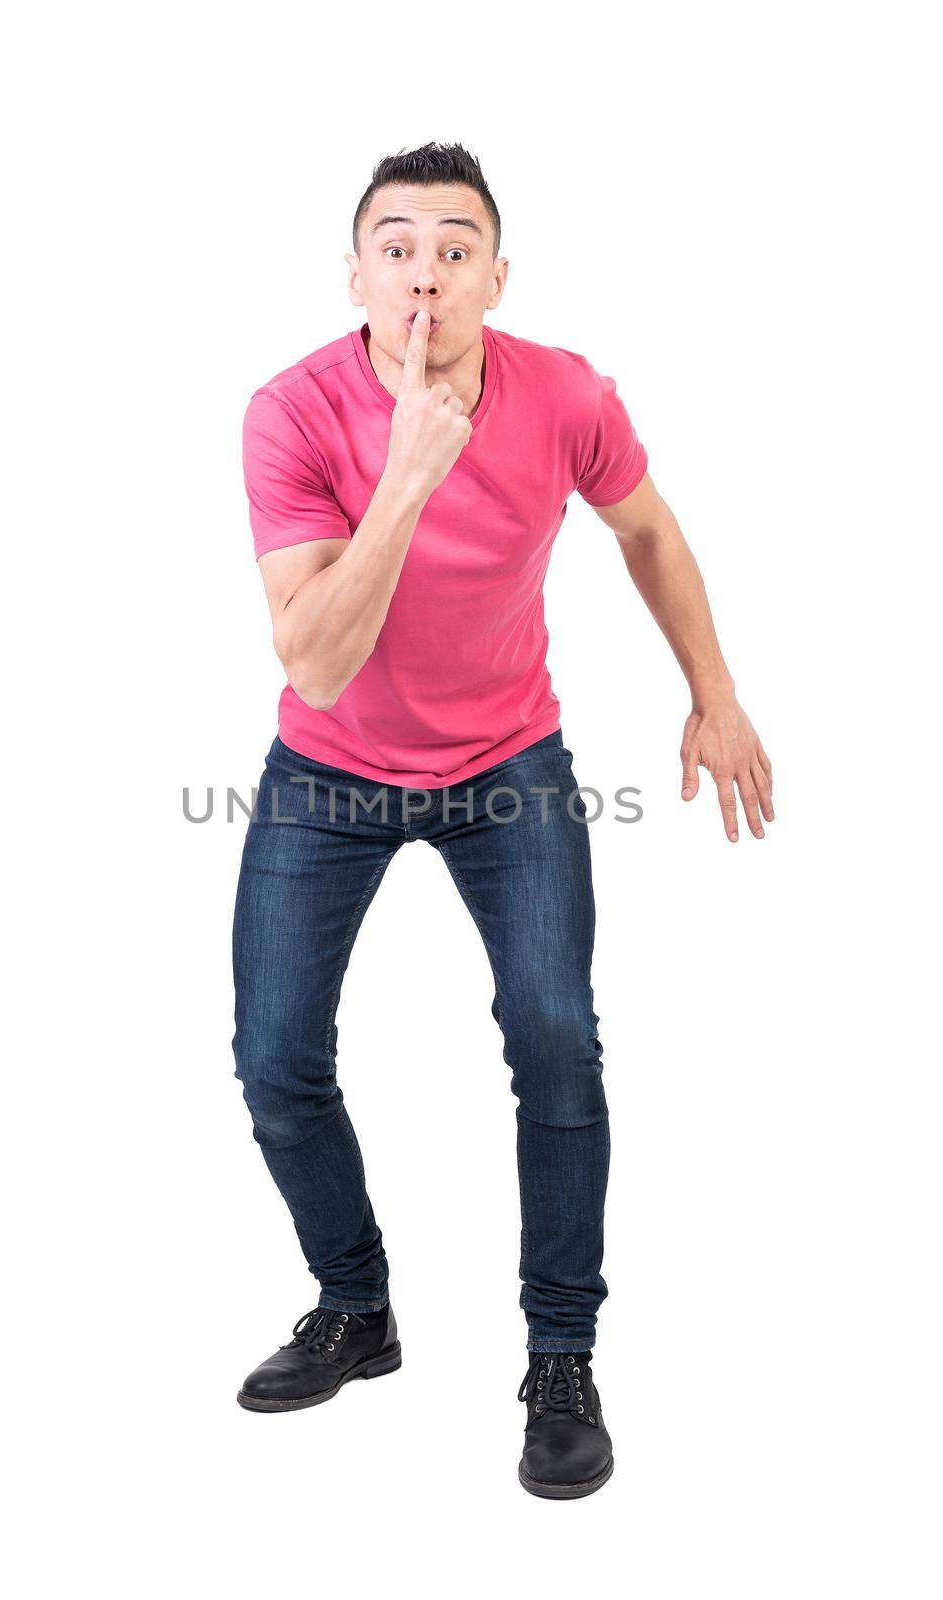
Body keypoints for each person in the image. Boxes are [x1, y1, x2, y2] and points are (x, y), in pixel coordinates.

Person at [231, 142, 774, 1498]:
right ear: (353, 273)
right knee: (275, 1056)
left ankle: (560, 1358)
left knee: (555, 1039)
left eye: (455, 247)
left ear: (496, 275)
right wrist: (408, 475)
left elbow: (646, 532)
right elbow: (313, 663)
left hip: (507, 762)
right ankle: (357, 1311)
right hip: (329, 768)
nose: (426, 272)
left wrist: (715, 693)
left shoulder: (565, 392)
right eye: (397, 245)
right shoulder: (290, 413)